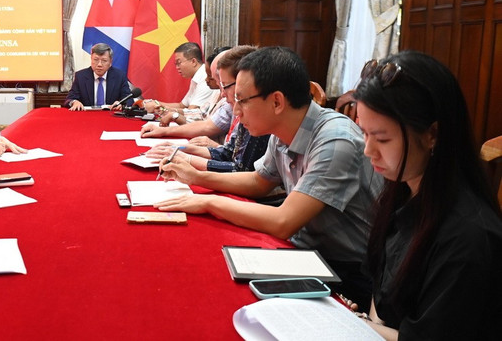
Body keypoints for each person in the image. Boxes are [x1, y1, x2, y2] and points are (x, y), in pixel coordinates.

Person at [156, 46, 382, 309]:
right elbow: (258, 182)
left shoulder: (335, 141)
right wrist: (196, 177)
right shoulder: (281, 130)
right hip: (305, 251)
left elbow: (283, 221)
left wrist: (208, 202)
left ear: (276, 102)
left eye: (242, 100)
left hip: (347, 273)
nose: (236, 111)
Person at [352, 52, 502, 339]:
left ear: (432, 134)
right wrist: (368, 324)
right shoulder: (401, 193)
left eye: (382, 138)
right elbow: (378, 294)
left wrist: (357, 326)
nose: (368, 150)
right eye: (364, 133)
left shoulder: (469, 237)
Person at [147, 45, 269, 174]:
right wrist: (181, 149)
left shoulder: (256, 114)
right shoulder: (241, 106)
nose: (222, 93)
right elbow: (229, 152)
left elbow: (243, 171)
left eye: (224, 85)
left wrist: (191, 165)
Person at [140, 48, 230, 142]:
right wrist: (168, 111)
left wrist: (167, 126)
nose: (206, 79)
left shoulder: (227, 101)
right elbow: (200, 114)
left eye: (211, 77)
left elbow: (207, 127)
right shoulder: (216, 92)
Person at [142, 42, 213, 114]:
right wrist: (156, 103)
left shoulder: (205, 77)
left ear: (193, 61)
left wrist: (163, 109)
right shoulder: (196, 77)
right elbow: (182, 105)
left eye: (179, 63)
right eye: (176, 64)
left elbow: (191, 112)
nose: (177, 67)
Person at [64, 43, 132, 110]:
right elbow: (69, 99)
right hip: (88, 115)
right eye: (96, 60)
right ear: (91, 59)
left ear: (110, 62)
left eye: (104, 61)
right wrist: (74, 102)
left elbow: (129, 99)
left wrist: (121, 104)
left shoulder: (119, 76)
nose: (99, 64)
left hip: (110, 115)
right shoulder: (80, 76)